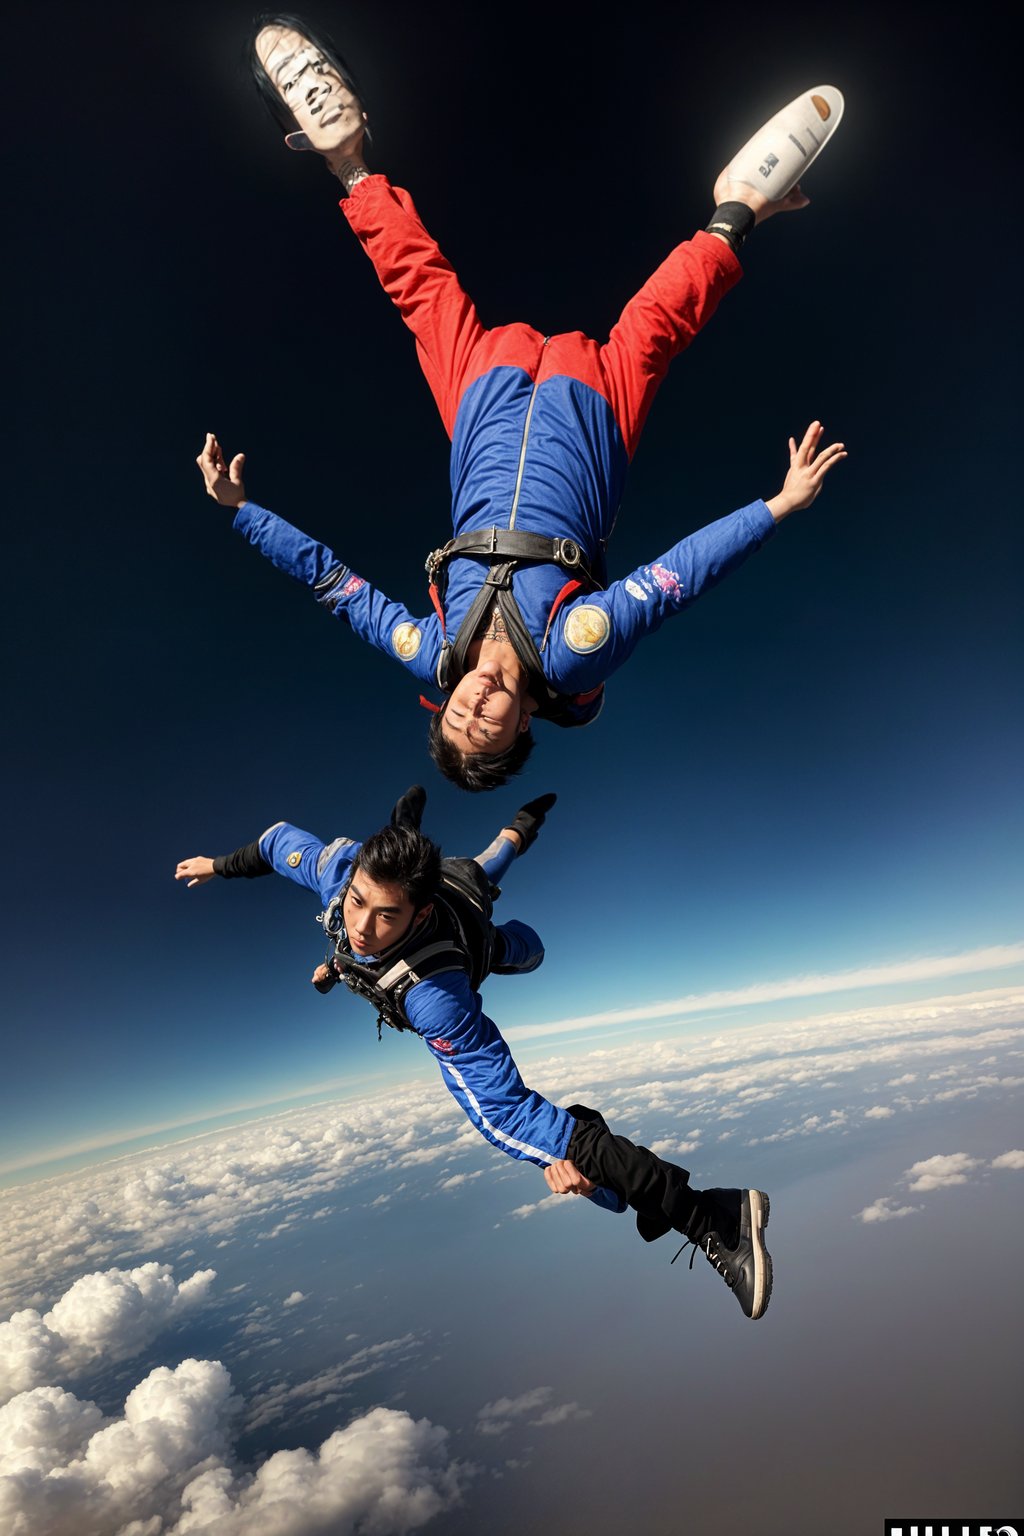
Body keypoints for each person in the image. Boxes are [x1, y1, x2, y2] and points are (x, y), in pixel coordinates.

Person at [195, 20, 847, 790]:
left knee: (423, 294)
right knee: (654, 330)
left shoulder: (430, 648)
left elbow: (335, 585)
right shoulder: (572, 653)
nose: (475, 706)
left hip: (483, 407)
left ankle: (346, 157)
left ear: (441, 705)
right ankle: (738, 212)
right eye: (489, 730)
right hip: (588, 418)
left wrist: (242, 513)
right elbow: (678, 577)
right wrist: (776, 507)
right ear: (521, 729)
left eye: (457, 717)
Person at [176, 786, 774, 1319]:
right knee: (445, 870)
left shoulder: (438, 997)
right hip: (428, 888)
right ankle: (408, 821)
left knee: (514, 912)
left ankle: (712, 1217)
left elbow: (508, 1115)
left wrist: (559, 1155)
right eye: (358, 902)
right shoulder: (339, 871)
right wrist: (220, 867)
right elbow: (277, 840)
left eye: (387, 917)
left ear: (419, 914)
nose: (363, 926)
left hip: (477, 926)